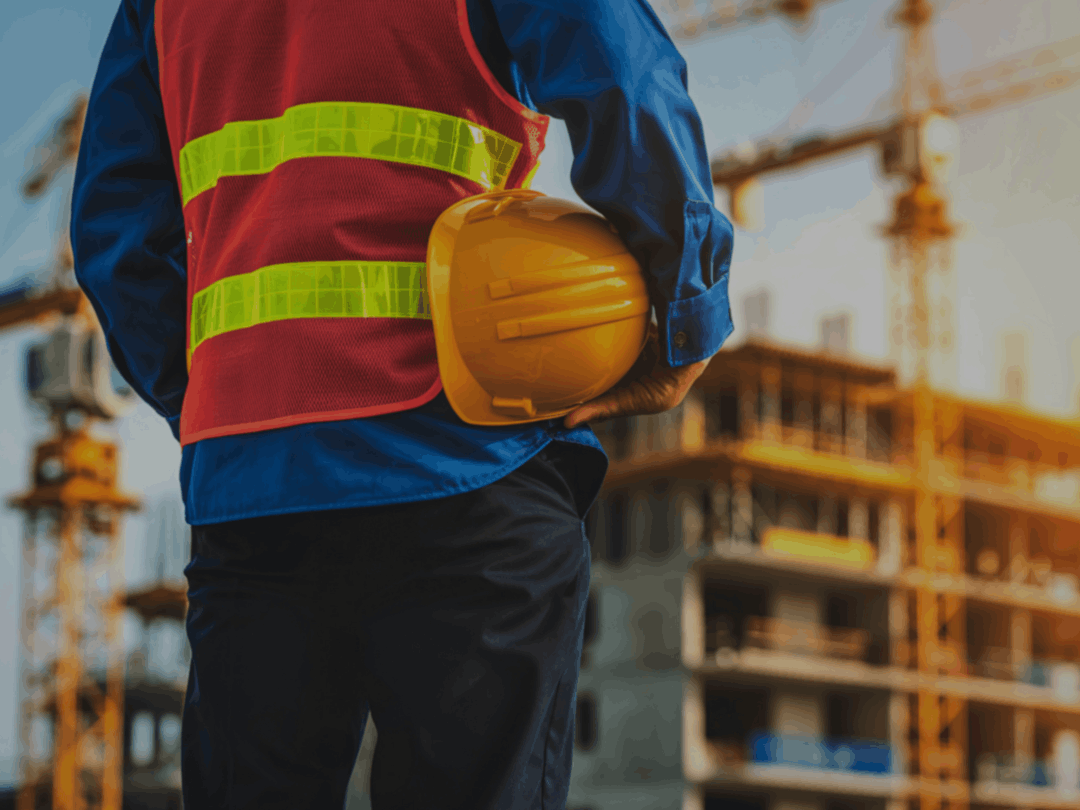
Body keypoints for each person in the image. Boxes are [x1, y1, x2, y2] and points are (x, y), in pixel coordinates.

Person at [71, 0, 734, 807]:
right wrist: (688, 313)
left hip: (249, 498)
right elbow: (624, 74)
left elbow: (114, 225)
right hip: (459, 463)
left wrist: (218, 396)